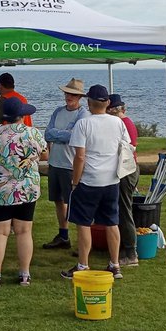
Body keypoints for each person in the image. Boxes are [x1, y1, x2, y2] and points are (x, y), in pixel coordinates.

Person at [61, 84, 130, 281]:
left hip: (89, 181)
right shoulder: (118, 123)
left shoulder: (84, 124)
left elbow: (80, 157)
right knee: (111, 222)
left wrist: (75, 181)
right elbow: (126, 147)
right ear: (107, 103)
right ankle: (115, 264)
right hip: (111, 180)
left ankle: (83, 264)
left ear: (88, 102)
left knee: (83, 223)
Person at [0, 96, 47, 288]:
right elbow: (45, 154)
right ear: (22, 116)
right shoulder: (32, 133)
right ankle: (24, 274)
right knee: (24, 231)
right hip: (26, 189)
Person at [41, 77, 87, 251]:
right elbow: (47, 134)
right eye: (67, 93)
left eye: (73, 94)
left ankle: (82, 241)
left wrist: (58, 135)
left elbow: (74, 136)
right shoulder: (58, 111)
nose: (69, 96)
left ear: (79, 97)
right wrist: (63, 134)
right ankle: (63, 235)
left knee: (75, 203)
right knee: (58, 201)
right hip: (55, 163)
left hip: (70, 165)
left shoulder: (83, 114)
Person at [107, 93, 140, 267]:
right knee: (121, 209)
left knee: (125, 211)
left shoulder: (122, 124)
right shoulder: (126, 122)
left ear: (112, 109)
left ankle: (131, 252)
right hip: (127, 169)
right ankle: (122, 248)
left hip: (125, 171)